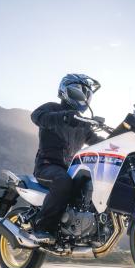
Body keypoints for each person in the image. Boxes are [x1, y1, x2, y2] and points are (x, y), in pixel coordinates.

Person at [28, 74, 104, 244]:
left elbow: (96, 141)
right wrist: (64, 116)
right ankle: (42, 228)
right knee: (62, 181)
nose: (86, 98)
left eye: (88, 95)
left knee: (90, 184)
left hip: (69, 169)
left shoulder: (82, 124)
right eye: (82, 92)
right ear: (68, 91)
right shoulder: (53, 109)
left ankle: (88, 231)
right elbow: (37, 116)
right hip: (47, 166)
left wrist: (117, 141)